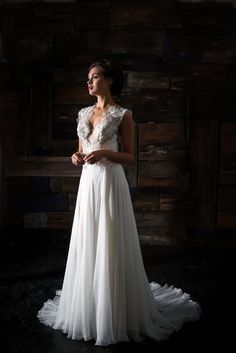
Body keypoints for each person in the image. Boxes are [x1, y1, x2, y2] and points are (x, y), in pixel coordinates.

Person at [37, 59, 201, 346]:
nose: (89, 82)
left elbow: (129, 157)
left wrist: (103, 154)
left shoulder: (122, 114)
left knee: (109, 240)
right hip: (88, 183)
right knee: (88, 240)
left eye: (96, 77)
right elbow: (80, 150)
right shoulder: (84, 112)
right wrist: (76, 157)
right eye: (88, 78)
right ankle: (89, 306)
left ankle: (113, 311)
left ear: (110, 80)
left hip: (110, 182)